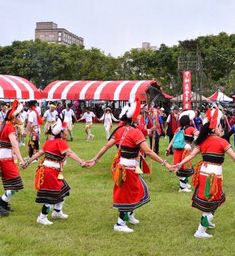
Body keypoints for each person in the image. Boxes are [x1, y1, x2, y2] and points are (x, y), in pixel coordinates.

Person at [85, 97, 172, 233]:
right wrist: (165, 164)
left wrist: (95, 159)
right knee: (128, 194)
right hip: (128, 168)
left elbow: (107, 145)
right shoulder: (135, 132)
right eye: (138, 116)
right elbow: (148, 151)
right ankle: (120, 223)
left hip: (124, 166)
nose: (140, 118)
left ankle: (130, 214)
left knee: (140, 189)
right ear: (133, 118)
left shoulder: (120, 130)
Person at [172, 106, 235, 238]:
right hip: (213, 176)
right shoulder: (221, 142)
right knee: (212, 201)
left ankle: (206, 223)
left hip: (204, 174)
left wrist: (179, 164)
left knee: (214, 199)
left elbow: (191, 155)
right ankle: (200, 230)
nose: (221, 129)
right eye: (220, 127)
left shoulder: (203, 141)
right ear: (215, 128)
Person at [23, 117, 86, 225]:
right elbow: (69, 153)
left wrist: (28, 162)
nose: (67, 131)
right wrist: (81, 162)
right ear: (61, 133)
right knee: (51, 196)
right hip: (50, 172)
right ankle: (42, 217)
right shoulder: (60, 142)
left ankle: (57, 212)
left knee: (64, 191)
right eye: (65, 129)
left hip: (50, 171)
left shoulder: (50, 141)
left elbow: (39, 153)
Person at [0, 100, 27, 216]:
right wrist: (21, 160)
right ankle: (0, 204)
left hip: (6, 158)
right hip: (6, 159)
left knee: (12, 184)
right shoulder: (10, 128)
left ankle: (4, 203)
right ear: (13, 117)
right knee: (16, 185)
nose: (20, 117)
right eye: (18, 115)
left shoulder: (6, 126)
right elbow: (15, 145)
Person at [166, 110, 199, 192]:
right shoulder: (191, 129)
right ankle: (182, 187)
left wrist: (168, 148)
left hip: (177, 151)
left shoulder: (178, 129)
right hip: (185, 151)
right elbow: (198, 134)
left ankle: (185, 184)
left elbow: (173, 140)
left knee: (182, 167)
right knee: (183, 168)